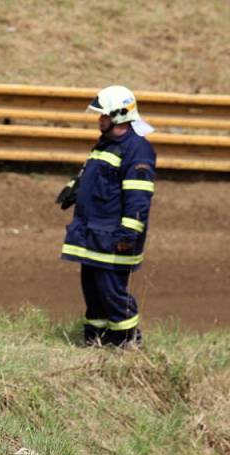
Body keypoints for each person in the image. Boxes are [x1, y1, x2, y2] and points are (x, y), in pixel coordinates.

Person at [56, 85, 156, 347]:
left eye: (104, 115)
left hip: (113, 237)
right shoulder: (106, 144)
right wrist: (74, 188)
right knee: (93, 291)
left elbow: (138, 196)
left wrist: (128, 234)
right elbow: (93, 175)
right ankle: (97, 342)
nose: (99, 120)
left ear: (120, 115)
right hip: (93, 233)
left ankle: (128, 341)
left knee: (111, 292)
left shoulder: (137, 149)